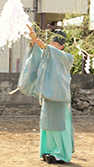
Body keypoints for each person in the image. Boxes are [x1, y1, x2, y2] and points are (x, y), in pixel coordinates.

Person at [17, 29, 74, 164]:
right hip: (48, 96)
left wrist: (45, 47)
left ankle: (62, 154)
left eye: (55, 44)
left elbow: (55, 54)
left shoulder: (66, 56)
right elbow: (37, 56)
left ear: (61, 46)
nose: (52, 45)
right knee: (47, 125)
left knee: (59, 126)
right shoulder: (48, 53)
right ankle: (48, 150)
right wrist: (33, 41)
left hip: (59, 97)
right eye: (51, 43)